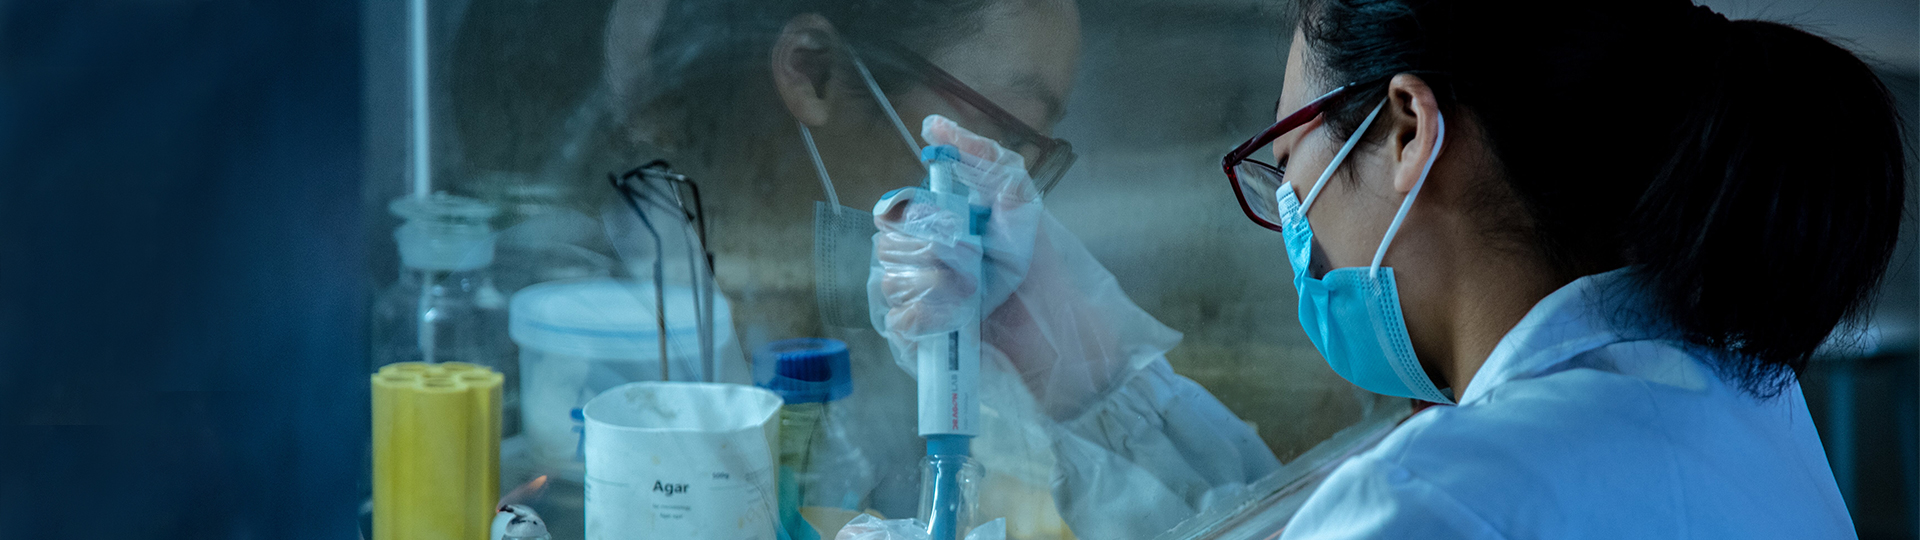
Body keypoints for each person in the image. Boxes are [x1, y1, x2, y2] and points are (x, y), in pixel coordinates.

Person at [870, 0, 1906, 538]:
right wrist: (1082, 362)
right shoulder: (1730, 399)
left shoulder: (1439, 498)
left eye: (1286, 163)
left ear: (1409, 130)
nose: (1291, 216)